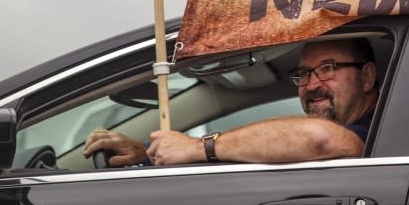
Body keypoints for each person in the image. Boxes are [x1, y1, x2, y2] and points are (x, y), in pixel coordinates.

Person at [84, 38, 379, 166]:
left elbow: (319, 138)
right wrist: (147, 152)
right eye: (303, 74)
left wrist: (196, 147)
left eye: (328, 69)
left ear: (366, 78)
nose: (312, 85)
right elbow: (263, 146)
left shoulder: (385, 128)